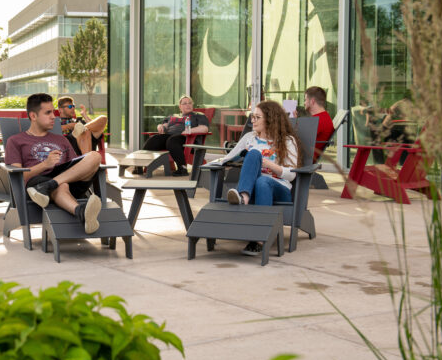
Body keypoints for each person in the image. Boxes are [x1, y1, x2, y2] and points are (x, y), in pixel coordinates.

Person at [211, 100, 302, 256]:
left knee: (263, 180)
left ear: (270, 119)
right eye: (252, 117)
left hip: (280, 189)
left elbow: (292, 174)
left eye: (257, 117)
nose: (252, 120)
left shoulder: (287, 141)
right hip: (255, 188)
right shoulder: (249, 138)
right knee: (253, 156)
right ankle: (244, 197)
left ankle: (259, 239)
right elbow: (229, 157)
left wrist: (269, 165)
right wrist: (218, 162)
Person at [4, 93, 103, 234]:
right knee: (62, 185)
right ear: (33, 116)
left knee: (94, 156)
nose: (53, 117)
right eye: (48, 113)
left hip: (59, 184)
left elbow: (75, 168)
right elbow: (19, 176)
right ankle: (81, 212)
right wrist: (45, 164)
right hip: (37, 184)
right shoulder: (15, 141)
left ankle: (48, 186)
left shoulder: (61, 140)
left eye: (54, 112)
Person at [142, 95, 209, 176]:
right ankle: (140, 165)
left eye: (190, 103)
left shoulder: (198, 115)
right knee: (154, 139)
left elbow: (204, 128)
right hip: (170, 138)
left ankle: (182, 168)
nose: (188, 105)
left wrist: (189, 131)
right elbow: (165, 125)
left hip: (187, 139)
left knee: (172, 140)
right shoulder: (172, 116)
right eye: (184, 103)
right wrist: (160, 126)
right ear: (180, 107)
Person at [295, 86, 334, 162]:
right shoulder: (323, 117)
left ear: (312, 101)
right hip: (304, 156)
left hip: (303, 159)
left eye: (305, 100)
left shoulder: (318, 120)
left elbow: (297, 138)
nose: (304, 103)